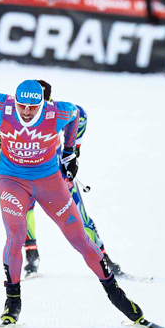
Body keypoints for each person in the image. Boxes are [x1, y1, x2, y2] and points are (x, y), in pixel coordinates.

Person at [0, 80, 160, 328]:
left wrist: (70, 152)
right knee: (16, 234)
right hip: (12, 181)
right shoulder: (1, 104)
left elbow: (77, 115)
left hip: (50, 182)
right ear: (14, 100)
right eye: (22, 106)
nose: (27, 112)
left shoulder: (59, 112)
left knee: (80, 240)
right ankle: (12, 302)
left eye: (33, 107)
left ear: (43, 103)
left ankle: (119, 298)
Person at [17, 79, 126, 279]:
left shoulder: (59, 111)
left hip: (57, 178)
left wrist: (74, 151)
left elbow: (80, 115)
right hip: (29, 176)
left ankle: (104, 259)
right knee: (23, 212)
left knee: (80, 218)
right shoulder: (20, 114)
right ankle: (31, 259)